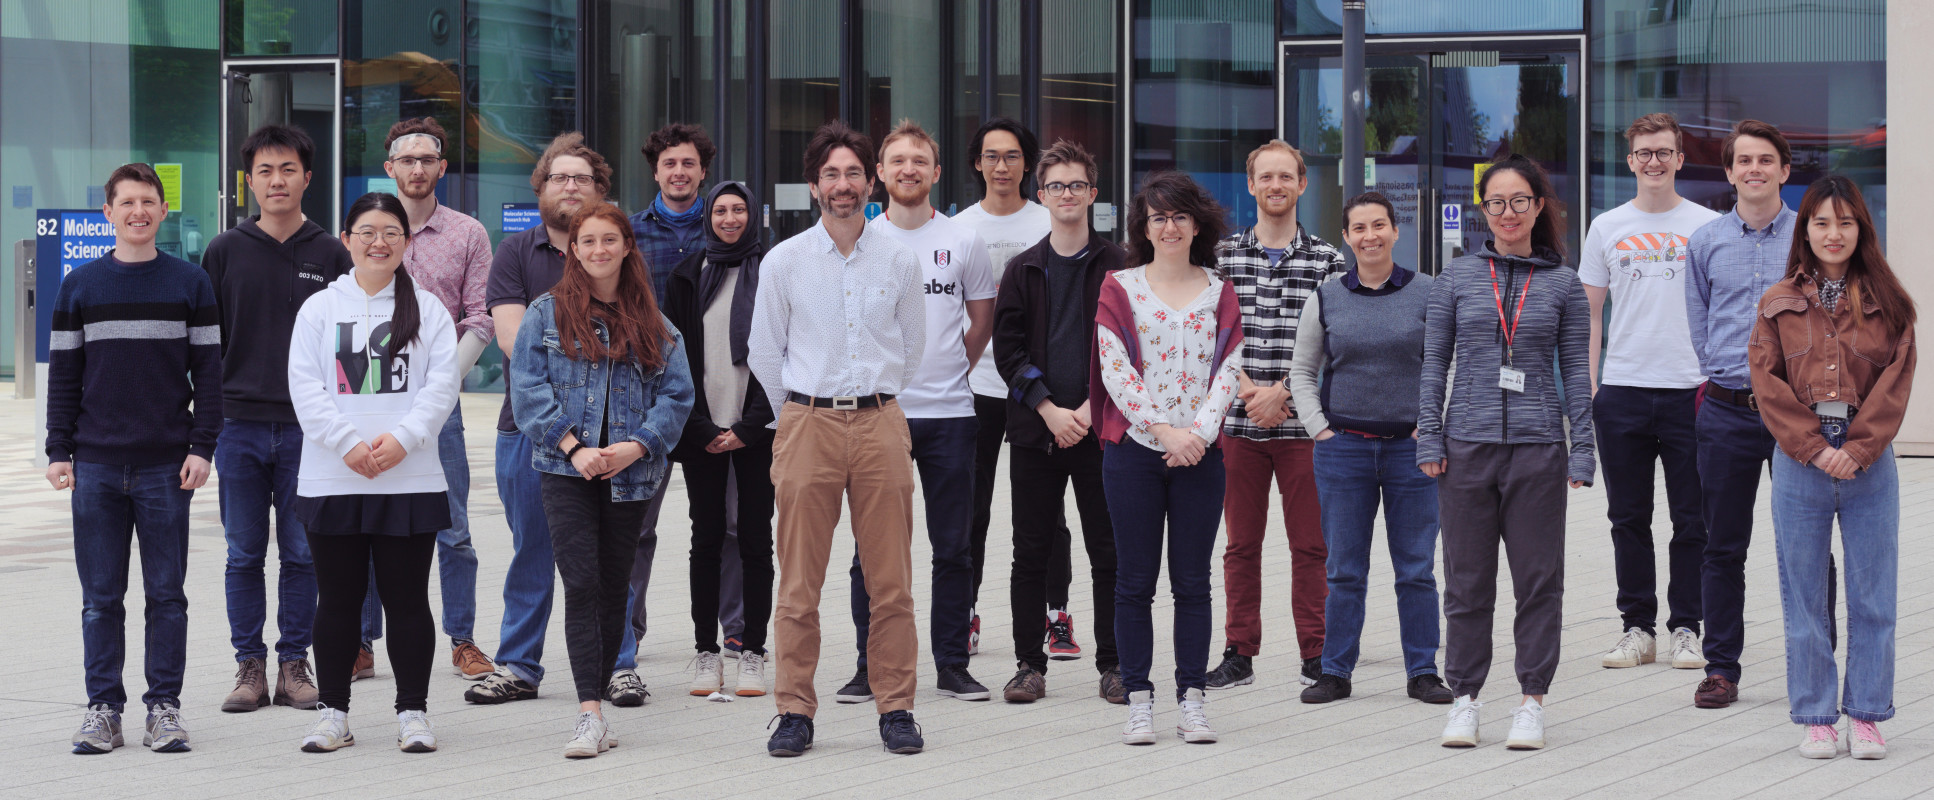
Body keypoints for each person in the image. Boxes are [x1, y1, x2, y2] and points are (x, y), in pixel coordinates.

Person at [751, 121, 928, 757]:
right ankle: (794, 711)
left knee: (892, 583)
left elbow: (912, 347)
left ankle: (896, 707)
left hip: (880, 421)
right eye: (831, 174)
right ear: (814, 185)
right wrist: (800, 414)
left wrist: (872, 399)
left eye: (854, 172)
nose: (843, 184)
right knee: (799, 584)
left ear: (870, 183)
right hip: (808, 424)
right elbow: (765, 351)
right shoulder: (785, 261)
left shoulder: (899, 260)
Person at [1418, 153, 1594, 751]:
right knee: (1466, 583)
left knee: (1539, 581)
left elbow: (1576, 372)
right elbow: (1433, 364)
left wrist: (1582, 448)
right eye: (1496, 202)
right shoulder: (1457, 278)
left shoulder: (1564, 284)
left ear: (1539, 206)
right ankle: (1464, 699)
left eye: (1520, 201)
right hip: (1465, 448)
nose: (1508, 212)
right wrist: (1429, 435)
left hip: (1539, 449)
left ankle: (1531, 701)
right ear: (1483, 210)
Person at [469, 133, 650, 708]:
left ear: (601, 190)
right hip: (528, 430)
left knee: (610, 556)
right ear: (540, 188)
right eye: (558, 177)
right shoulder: (514, 253)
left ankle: (618, 666)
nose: (569, 186)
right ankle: (519, 665)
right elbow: (511, 340)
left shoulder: (616, 253)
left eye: (582, 178)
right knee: (532, 549)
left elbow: (642, 344)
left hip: (610, 439)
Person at [509, 201, 694, 758]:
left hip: (630, 476)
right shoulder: (545, 314)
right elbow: (527, 389)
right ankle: (588, 710)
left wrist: (637, 446)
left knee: (616, 587)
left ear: (627, 247)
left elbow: (677, 397)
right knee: (582, 582)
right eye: (587, 241)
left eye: (609, 240)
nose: (598, 250)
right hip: (566, 470)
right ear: (573, 249)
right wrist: (574, 447)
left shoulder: (654, 323)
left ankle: (603, 703)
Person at [53, 163, 221, 754]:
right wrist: (58, 449)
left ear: (163, 210)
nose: (138, 212)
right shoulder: (79, 285)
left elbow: (210, 375)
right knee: (100, 599)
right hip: (95, 465)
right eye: (126, 202)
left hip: (166, 467)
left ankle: (163, 709)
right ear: (108, 213)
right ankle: (104, 709)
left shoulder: (190, 283)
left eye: (148, 201)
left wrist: (203, 447)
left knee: (166, 595)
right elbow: (64, 376)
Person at [289, 193, 461, 754]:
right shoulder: (319, 308)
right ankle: (333, 714)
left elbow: (442, 385)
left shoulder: (428, 309)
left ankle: (413, 712)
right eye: (367, 232)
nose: (378, 242)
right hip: (333, 477)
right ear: (346, 240)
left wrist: (404, 439)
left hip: (408, 479)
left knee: (407, 600)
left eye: (391, 232)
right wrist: (346, 443)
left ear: (407, 242)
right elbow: (305, 386)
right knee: (337, 601)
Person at [1750, 176, 1916, 760]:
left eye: (1845, 222)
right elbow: (1766, 383)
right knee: (1804, 596)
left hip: (1870, 464)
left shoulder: (1889, 302)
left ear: (1861, 228)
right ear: (1806, 230)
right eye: (1821, 222)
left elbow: (1896, 381)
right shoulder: (1777, 301)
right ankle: (1817, 717)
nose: (1833, 233)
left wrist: (1859, 448)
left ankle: (1867, 715)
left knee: (1874, 596)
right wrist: (1816, 448)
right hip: (1801, 461)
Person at [840, 119, 994, 705]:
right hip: (878, 415)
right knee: (872, 552)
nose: (909, 169)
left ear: (936, 172)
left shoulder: (963, 240)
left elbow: (980, 321)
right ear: (879, 173)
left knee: (953, 547)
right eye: (898, 161)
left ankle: (952, 664)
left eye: (920, 161)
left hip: (951, 415)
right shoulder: (860, 239)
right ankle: (870, 666)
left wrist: (949, 367)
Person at [203, 123, 353, 714]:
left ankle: (294, 664)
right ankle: (250, 667)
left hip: (309, 430)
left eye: (288, 169)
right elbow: (207, 345)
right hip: (237, 426)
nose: (277, 180)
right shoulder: (224, 250)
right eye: (264, 171)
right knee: (243, 553)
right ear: (249, 181)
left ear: (307, 177)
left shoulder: (332, 253)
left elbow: (346, 346)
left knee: (302, 552)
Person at [1093, 171, 1243, 745]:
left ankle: (1192, 700)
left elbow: (1229, 370)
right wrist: (1162, 431)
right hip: (1134, 453)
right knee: (1134, 582)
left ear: (1197, 224)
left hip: (1201, 456)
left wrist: (1197, 435)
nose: (1170, 226)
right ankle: (1138, 700)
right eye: (1158, 217)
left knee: (1193, 583)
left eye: (1180, 215)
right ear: (1144, 227)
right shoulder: (1119, 287)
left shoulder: (1220, 292)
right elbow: (1115, 370)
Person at [1287, 192, 1451, 706]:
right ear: (1346, 237)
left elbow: (1449, 364)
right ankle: (1335, 671)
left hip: (1412, 452)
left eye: (1379, 225)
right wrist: (1318, 429)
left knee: (1416, 569)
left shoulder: (1428, 292)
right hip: (1344, 451)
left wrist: (1433, 425)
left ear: (1395, 231)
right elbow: (1302, 370)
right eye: (1359, 228)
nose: (1370, 236)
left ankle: (1423, 671)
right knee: (1343, 569)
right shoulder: (1326, 297)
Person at [354, 117, 498, 683]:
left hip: (440, 403)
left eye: (427, 159)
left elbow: (480, 317)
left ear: (442, 167)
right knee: (368, 521)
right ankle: (362, 642)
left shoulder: (468, 234)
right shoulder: (367, 228)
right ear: (389, 167)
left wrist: (440, 387)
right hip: (370, 394)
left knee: (452, 526)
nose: (417, 168)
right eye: (406, 159)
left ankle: (462, 640)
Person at [1581, 113, 1720, 673]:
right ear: (1630, 161)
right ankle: (1637, 628)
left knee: (1693, 519)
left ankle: (1687, 627)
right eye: (1644, 153)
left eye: (1663, 152)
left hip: (1693, 391)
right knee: (1627, 518)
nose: (1654, 161)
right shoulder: (1606, 227)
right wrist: (1591, 386)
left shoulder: (1708, 226)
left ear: (1680, 159)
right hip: (1623, 391)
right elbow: (1591, 315)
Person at [992, 139, 1125, 704]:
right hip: (1037, 434)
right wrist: (1049, 409)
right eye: (1055, 186)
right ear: (1041, 195)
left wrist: (1091, 409)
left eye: (1075, 185)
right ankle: (1029, 664)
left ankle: (1115, 665)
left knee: (1108, 551)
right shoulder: (1022, 269)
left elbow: (1131, 348)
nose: (1066, 194)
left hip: (1103, 434)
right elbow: (1008, 352)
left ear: (1092, 194)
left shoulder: (1122, 266)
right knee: (1031, 552)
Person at [1206, 140, 1341, 691]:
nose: (1276, 185)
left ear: (1302, 184)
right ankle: (1239, 652)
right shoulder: (1221, 259)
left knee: (1311, 545)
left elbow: (1336, 342)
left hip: (1303, 427)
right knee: (1240, 546)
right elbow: (1210, 336)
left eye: (1286, 176)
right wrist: (1247, 392)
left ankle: (1318, 653)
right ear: (1251, 185)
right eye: (1266, 177)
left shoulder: (1327, 260)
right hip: (1238, 426)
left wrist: (1282, 392)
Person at [1684, 119, 1798, 711]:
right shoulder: (1705, 242)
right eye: (1744, 161)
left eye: (1765, 160)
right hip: (1726, 411)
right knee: (1723, 546)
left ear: (1784, 170)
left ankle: (1815, 663)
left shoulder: (1809, 237)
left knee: (1804, 543)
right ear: (1729, 173)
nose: (1755, 169)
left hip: (1797, 416)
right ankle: (1721, 668)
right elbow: (1699, 321)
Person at [954, 117, 1076, 659]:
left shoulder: (1048, 220)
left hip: (1037, 391)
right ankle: (965, 614)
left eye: (1011, 156)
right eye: (991, 156)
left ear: (1028, 164)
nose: (1001, 166)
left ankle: (1057, 615)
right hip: (975, 387)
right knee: (971, 509)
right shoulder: (958, 228)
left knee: (1048, 512)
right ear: (977, 164)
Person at [664, 181, 776, 697]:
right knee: (705, 539)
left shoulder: (773, 271)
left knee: (756, 540)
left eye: (738, 210)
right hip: (702, 429)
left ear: (752, 215)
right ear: (707, 217)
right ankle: (706, 651)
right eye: (720, 211)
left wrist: (749, 427)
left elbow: (787, 354)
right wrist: (703, 427)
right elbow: (672, 358)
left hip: (758, 430)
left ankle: (752, 650)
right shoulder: (687, 275)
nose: (729, 218)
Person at [624, 122, 724, 653]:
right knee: (636, 526)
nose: (679, 172)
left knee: (728, 527)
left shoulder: (727, 226)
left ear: (703, 171)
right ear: (655, 172)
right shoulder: (628, 234)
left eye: (688, 163)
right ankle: (626, 637)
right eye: (669, 164)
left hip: (717, 398)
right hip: (646, 397)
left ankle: (736, 634)